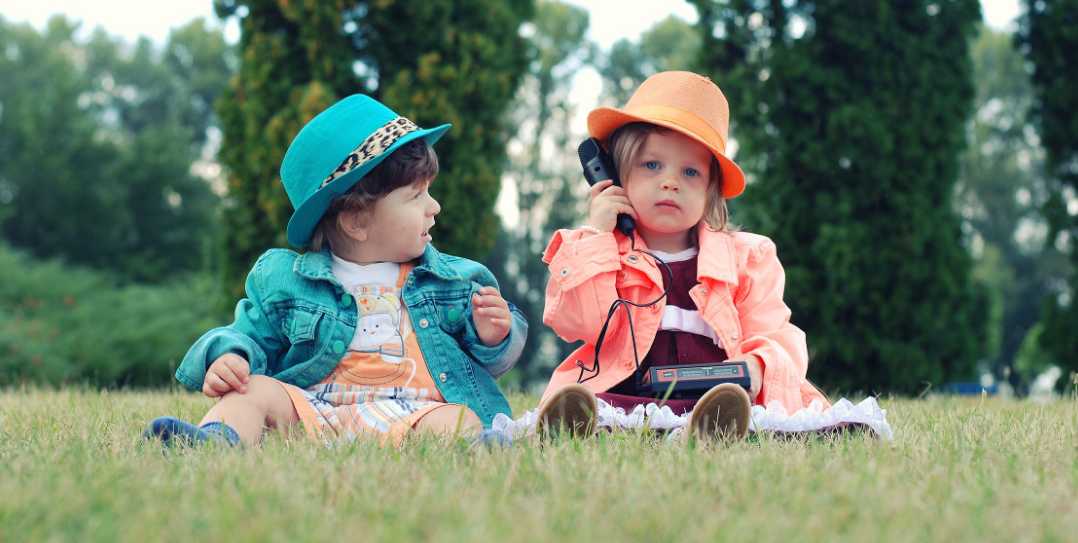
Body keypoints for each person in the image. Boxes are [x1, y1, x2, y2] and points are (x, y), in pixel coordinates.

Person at [144, 95, 527, 448]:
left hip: (414, 414)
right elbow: (249, 333)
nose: (435, 207)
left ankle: (480, 450)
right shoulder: (287, 280)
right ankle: (216, 441)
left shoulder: (451, 281)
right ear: (356, 221)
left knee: (459, 418)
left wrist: (493, 336)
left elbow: (491, 361)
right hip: (314, 410)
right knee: (251, 391)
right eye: (415, 196)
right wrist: (231, 357)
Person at [537, 71, 828, 442]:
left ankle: (707, 431)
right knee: (602, 409)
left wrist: (755, 365)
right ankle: (582, 426)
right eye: (652, 165)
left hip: (716, 397)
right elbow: (577, 322)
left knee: (746, 413)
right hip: (628, 395)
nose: (670, 182)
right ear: (614, 176)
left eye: (690, 171)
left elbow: (776, 333)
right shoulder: (599, 249)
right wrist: (597, 237)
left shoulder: (747, 259)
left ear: (711, 191)